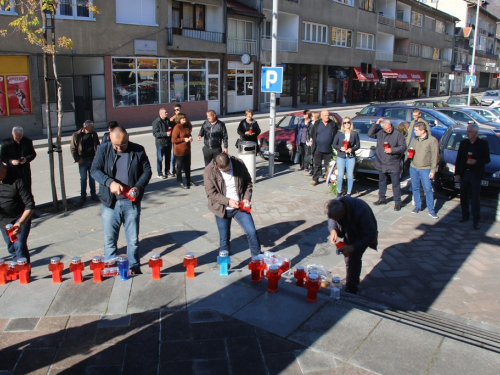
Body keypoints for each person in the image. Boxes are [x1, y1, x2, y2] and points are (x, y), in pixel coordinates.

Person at [91, 127, 152, 274]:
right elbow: (94, 170)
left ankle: (133, 268)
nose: (119, 148)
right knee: (110, 240)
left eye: (122, 145)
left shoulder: (138, 150)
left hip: (131, 202)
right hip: (110, 202)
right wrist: (109, 182)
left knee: (133, 240)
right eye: (115, 145)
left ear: (128, 138)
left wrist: (138, 187)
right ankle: (111, 268)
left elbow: (147, 171)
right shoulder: (103, 149)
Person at [204, 153, 261, 257]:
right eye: (223, 170)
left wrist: (246, 198)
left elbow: (248, 182)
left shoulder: (238, 163)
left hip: (240, 207)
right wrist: (228, 201)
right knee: (224, 238)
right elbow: (211, 194)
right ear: (216, 165)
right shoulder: (209, 171)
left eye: (228, 169)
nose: (227, 172)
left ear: (230, 161)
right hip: (221, 209)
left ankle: (257, 258)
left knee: (251, 232)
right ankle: (225, 265)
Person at [325, 197, 378, 295]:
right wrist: (333, 230)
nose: (335, 220)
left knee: (353, 258)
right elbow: (331, 219)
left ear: (342, 211)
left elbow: (371, 234)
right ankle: (351, 283)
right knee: (349, 258)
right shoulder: (335, 203)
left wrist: (353, 247)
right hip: (349, 229)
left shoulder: (362, 211)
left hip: (361, 234)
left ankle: (351, 288)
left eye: (337, 218)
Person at [454, 124, 491, 230]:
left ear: (476, 133)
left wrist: (477, 161)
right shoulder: (463, 143)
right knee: (463, 196)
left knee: (475, 198)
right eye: (467, 131)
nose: (467, 133)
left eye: (470, 132)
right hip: (465, 173)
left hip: (475, 174)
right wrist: (457, 173)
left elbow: (487, 159)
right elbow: (459, 158)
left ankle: (476, 220)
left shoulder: (483, 144)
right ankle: (465, 215)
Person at [368, 118, 406, 211]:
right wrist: (376, 123)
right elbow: (370, 134)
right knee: (382, 182)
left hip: (393, 163)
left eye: (390, 127)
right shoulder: (380, 132)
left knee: (395, 184)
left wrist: (392, 150)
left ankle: (397, 202)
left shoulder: (398, 133)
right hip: (382, 162)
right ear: (383, 128)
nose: (389, 130)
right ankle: (381, 199)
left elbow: (403, 147)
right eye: (386, 129)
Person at [0, 162, 35, 263]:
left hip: (20, 217)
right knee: (11, 248)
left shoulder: (18, 178)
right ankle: (17, 269)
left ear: (3, 168)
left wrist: (20, 223)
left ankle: (24, 275)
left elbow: (30, 205)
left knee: (19, 244)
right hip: (3, 220)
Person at [409, 122, 439, 219]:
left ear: (423, 131)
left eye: (416, 130)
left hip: (425, 169)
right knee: (415, 187)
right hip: (413, 167)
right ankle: (418, 206)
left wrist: (433, 170)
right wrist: (410, 152)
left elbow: (435, 156)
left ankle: (431, 210)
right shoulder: (415, 139)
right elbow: (410, 150)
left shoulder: (432, 140)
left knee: (428, 189)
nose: (414, 132)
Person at [70, 120, 100, 205]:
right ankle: (83, 196)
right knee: (83, 179)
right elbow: (73, 148)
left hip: (92, 159)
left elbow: (97, 146)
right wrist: (77, 159)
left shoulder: (93, 134)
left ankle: (93, 194)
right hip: (82, 160)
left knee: (92, 178)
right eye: (91, 127)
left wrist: (97, 158)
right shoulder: (77, 135)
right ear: (85, 127)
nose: (92, 128)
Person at [333, 117, 360, 197]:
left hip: (350, 157)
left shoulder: (354, 133)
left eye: (348, 122)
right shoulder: (339, 133)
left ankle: (349, 193)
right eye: (345, 123)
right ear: (342, 124)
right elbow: (334, 144)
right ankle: (339, 191)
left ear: (350, 123)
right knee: (340, 174)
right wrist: (340, 148)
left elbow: (358, 145)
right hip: (341, 156)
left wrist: (352, 149)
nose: (346, 124)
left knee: (350, 175)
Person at [310, 110, 338, 186]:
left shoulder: (333, 124)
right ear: (321, 116)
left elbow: (336, 136)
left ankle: (328, 179)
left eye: (328, 115)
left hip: (328, 149)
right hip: (318, 148)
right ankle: (315, 179)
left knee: (328, 165)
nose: (327, 117)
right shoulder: (317, 123)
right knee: (317, 165)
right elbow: (312, 134)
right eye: (325, 115)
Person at [172, 113, 195, 189]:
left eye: (185, 118)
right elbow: (173, 140)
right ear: (179, 119)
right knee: (179, 166)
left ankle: (189, 180)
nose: (184, 119)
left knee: (188, 166)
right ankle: (180, 181)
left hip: (187, 150)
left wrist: (190, 137)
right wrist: (183, 139)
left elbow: (188, 134)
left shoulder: (187, 126)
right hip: (179, 152)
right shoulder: (177, 127)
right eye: (182, 119)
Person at [152, 108, 173, 179]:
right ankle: (160, 173)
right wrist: (165, 134)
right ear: (160, 114)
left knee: (168, 158)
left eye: (166, 112)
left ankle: (167, 171)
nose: (167, 113)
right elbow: (155, 134)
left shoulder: (167, 121)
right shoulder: (156, 122)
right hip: (160, 144)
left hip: (168, 143)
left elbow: (170, 128)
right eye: (165, 112)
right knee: (160, 159)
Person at [169, 104, 183, 176]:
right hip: (176, 138)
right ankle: (173, 169)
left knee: (183, 152)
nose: (176, 111)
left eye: (178, 109)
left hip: (183, 138)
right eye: (175, 110)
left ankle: (182, 167)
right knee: (175, 154)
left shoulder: (183, 117)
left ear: (180, 109)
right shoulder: (172, 119)